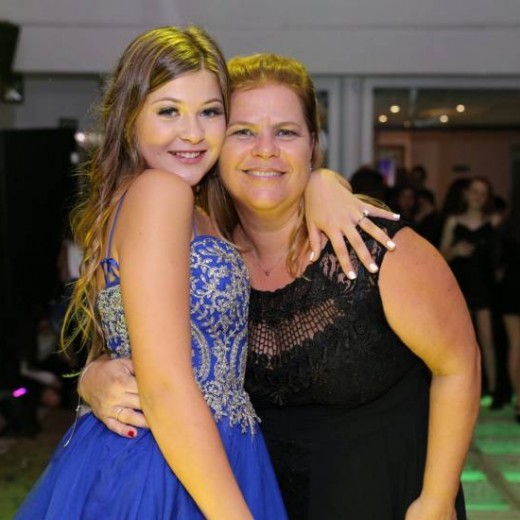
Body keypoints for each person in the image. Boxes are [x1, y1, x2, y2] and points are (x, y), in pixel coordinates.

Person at [15, 28, 398, 520]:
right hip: (168, 465)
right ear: (130, 118)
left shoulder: (186, 203)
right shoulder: (162, 193)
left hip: (188, 452)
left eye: (210, 112)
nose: (193, 133)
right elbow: (166, 385)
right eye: (169, 111)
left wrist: (323, 181)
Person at [83, 52, 481, 520]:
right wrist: (93, 377)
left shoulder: (374, 246)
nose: (265, 150)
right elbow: (149, 346)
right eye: (243, 132)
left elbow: (459, 365)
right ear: (216, 144)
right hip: (259, 500)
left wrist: (436, 499)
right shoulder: (207, 254)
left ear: (313, 144)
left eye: (286, 132)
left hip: (391, 499)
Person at [439, 176, 501, 405]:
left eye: (483, 193)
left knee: (487, 339)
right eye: (475, 191)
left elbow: (500, 254)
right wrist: (455, 251)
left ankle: (493, 390)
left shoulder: (493, 221)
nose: (478, 197)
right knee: (462, 342)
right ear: (466, 194)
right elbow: (440, 256)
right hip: (460, 285)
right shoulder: (454, 221)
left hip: (484, 285)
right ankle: (466, 389)